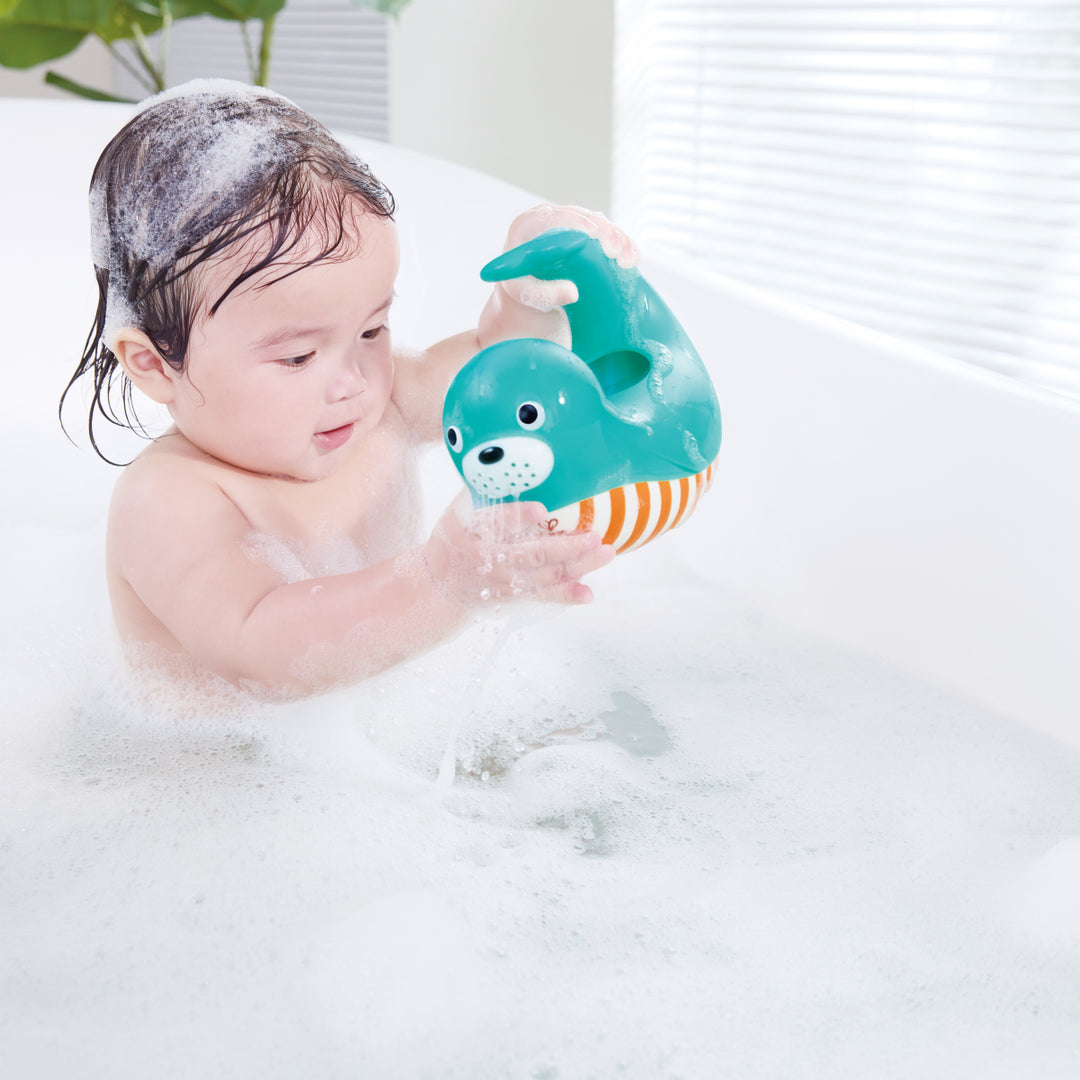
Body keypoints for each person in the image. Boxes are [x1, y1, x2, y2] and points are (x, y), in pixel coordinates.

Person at [61, 80, 632, 700]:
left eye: (371, 329)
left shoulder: (380, 402)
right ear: (154, 364)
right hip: (214, 760)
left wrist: (524, 290)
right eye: (298, 356)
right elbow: (259, 651)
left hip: (356, 746)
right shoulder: (169, 499)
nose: (354, 380)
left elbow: (502, 378)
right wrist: (441, 582)